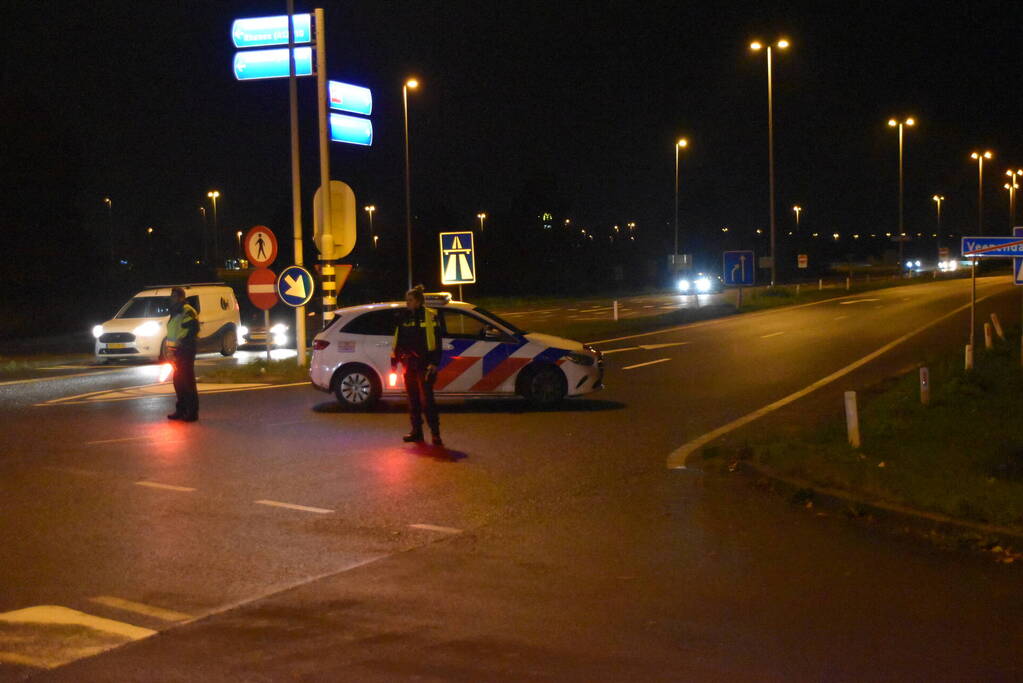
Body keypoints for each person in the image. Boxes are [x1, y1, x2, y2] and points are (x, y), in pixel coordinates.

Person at [391, 285, 443, 446]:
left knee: (427, 400)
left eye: (410, 300)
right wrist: (395, 361)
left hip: (425, 365)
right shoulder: (403, 317)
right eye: (406, 300)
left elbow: (437, 341)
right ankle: (416, 432)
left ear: (419, 301)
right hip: (409, 364)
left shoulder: (430, 316)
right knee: (413, 400)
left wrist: (434, 362)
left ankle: (435, 434)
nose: (407, 303)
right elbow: (398, 339)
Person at [166, 287, 199, 422]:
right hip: (177, 351)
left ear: (181, 297)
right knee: (178, 382)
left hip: (186, 350)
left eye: (174, 296)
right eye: (171, 296)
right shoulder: (175, 311)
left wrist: (182, 343)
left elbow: (193, 329)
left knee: (187, 382)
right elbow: (174, 331)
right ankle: (181, 410)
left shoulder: (187, 310)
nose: (171, 298)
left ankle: (192, 413)